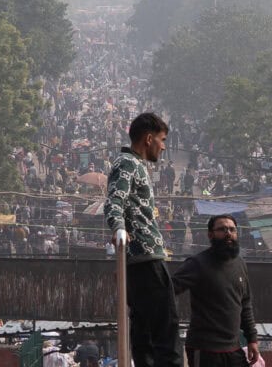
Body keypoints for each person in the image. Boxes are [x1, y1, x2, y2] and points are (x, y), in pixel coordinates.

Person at [104, 112, 182, 367]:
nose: (164, 145)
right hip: (146, 256)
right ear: (149, 139)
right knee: (165, 326)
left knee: (145, 330)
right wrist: (118, 229)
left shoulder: (133, 164)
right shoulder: (128, 163)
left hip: (138, 259)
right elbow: (114, 201)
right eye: (162, 139)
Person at [172, 214, 259, 367]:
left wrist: (252, 339)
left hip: (234, 348)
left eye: (232, 229)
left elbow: (245, 304)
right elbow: (169, 289)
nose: (228, 233)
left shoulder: (240, 264)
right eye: (222, 229)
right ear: (210, 234)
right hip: (205, 349)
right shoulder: (197, 263)